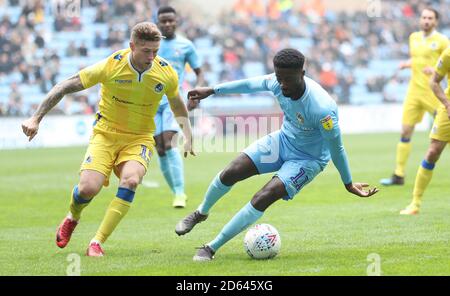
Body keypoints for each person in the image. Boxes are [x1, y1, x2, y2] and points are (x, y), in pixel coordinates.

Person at [175, 48, 378, 261]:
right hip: (282, 141)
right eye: (279, 78)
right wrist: (213, 90)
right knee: (231, 171)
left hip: (307, 160)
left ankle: (211, 247)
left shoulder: (322, 109)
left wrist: (348, 183)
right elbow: (250, 85)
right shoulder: (277, 81)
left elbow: (337, 148)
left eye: (287, 79)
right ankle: (200, 213)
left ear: (302, 73)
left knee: (263, 196)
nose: (282, 85)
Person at [21, 22, 194, 257]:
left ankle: (97, 242)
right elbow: (64, 86)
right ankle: (73, 216)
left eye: (156, 51)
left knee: (131, 181)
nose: (152, 57)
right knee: (87, 189)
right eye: (146, 51)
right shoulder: (111, 66)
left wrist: (188, 134)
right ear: (132, 46)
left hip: (139, 138)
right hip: (106, 134)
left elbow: (176, 103)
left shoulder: (165, 73)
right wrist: (35, 118)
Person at [380, 8, 449, 186]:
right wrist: (407, 64)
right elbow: (418, 60)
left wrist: (434, 70)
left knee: (444, 133)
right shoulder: (414, 38)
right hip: (413, 92)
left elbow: (445, 65)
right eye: (424, 17)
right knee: (405, 131)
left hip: (433, 92)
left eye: (430, 18)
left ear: (436, 21)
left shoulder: (442, 41)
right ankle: (399, 175)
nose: (426, 20)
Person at [153, 6, 204, 208]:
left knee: (169, 142)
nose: (167, 24)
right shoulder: (151, 45)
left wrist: (196, 93)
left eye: (170, 21)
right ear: (157, 23)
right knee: (160, 148)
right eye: (163, 21)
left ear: (176, 22)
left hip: (173, 101)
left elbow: (199, 72)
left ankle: (180, 193)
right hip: (150, 103)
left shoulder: (185, 45)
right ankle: (176, 192)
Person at [400, 45, 450, 215]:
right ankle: (415, 203)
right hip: (448, 109)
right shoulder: (448, 52)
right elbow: (434, 81)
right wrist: (447, 104)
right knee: (433, 152)